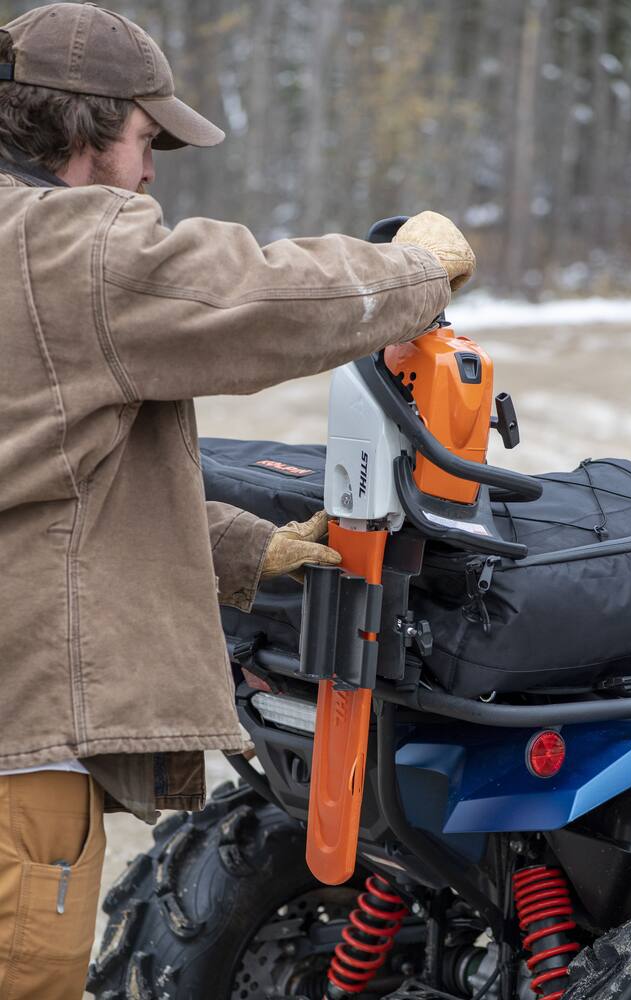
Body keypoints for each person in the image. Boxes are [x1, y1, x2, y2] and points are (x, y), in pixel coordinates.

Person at [0, 3, 476, 996]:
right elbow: (256, 296)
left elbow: (46, 471)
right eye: (145, 137)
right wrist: (417, 272)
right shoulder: (66, 245)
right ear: (83, 130)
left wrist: (232, 548)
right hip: (17, 750)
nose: (151, 170)